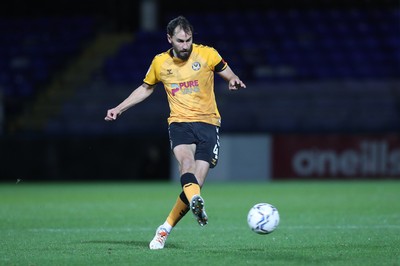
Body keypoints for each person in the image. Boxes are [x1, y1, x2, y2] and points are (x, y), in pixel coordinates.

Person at [104, 15, 246, 250]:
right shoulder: (160, 62)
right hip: (179, 123)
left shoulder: (208, 54)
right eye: (180, 41)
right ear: (169, 38)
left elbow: (228, 72)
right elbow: (145, 88)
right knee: (186, 165)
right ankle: (185, 212)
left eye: (188, 40)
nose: (185, 45)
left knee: (194, 186)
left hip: (209, 123)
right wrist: (119, 108)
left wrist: (233, 80)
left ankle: (165, 228)